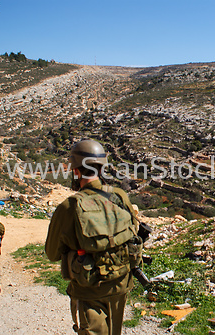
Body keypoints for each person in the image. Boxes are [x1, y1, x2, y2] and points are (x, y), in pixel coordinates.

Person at [45, 139, 141, 335]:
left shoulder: (69, 206)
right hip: (120, 284)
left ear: (76, 171)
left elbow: (52, 253)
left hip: (90, 289)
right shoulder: (120, 196)